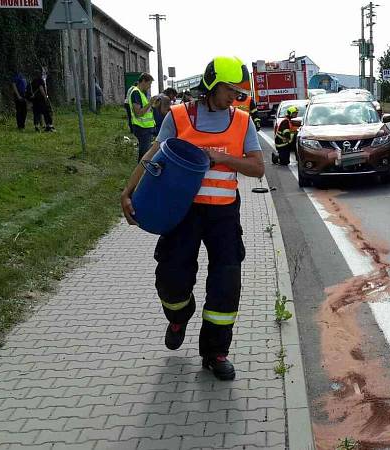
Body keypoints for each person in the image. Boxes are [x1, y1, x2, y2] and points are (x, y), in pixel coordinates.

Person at [120, 56, 264, 381]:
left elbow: (257, 168)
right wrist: (127, 192)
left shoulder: (243, 122)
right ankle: (178, 315)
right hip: (181, 211)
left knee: (226, 284)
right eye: (230, 90)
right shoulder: (179, 116)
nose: (235, 97)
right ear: (212, 84)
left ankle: (215, 353)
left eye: (239, 92)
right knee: (172, 278)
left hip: (224, 215)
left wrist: (222, 157)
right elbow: (152, 154)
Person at [127, 73, 156, 162]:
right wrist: (150, 103)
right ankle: (141, 173)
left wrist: (153, 105)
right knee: (144, 154)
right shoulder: (136, 93)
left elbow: (146, 110)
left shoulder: (141, 93)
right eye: (149, 84)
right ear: (143, 81)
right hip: (142, 128)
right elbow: (138, 113)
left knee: (145, 153)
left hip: (145, 127)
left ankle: (142, 172)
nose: (149, 87)